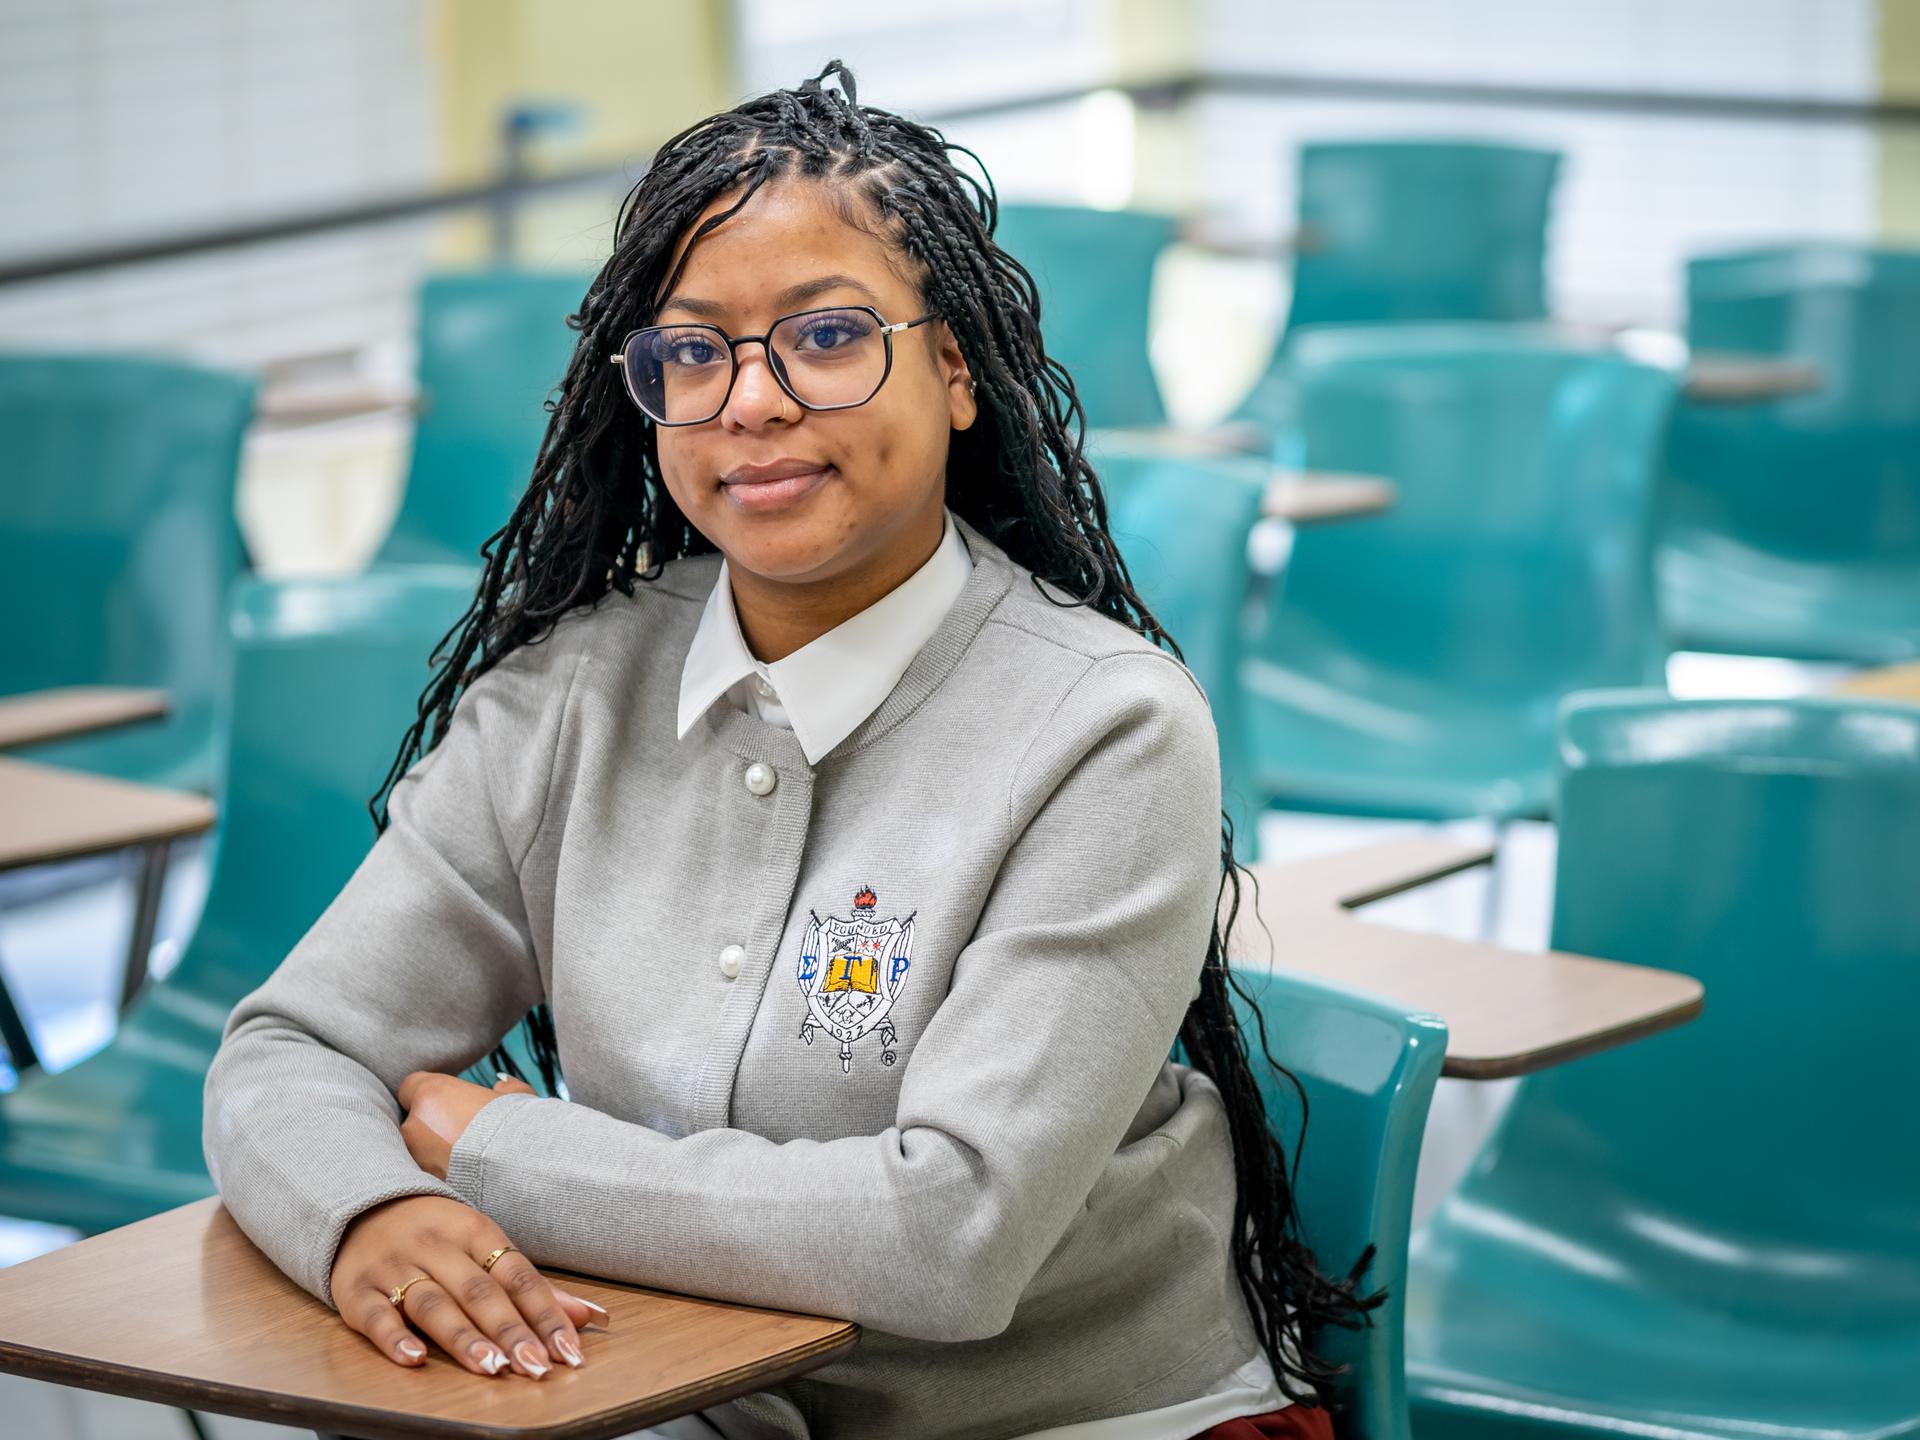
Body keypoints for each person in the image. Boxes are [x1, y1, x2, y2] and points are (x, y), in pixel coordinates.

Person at [200, 61, 1376, 1440]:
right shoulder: (572, 690)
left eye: (824, 336)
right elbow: (293, 1045)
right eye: (693, 352)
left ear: (953, 370)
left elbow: (949, 1234)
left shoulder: (1108, 727)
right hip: (678, 1395)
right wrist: (372, 1210)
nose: (748, 403)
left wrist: (496, 1148)